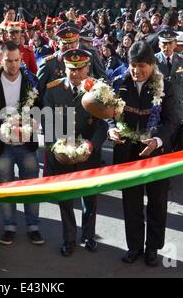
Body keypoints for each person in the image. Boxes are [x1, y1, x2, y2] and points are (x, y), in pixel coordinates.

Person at [108, 41, 179, 267]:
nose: (137, 71)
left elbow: (172, 120)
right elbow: (108, 112)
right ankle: (135, 246)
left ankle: (152, 249)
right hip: (127, 153)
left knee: (157, 202)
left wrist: (157, 140)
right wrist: (111, 127)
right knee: (131, 202)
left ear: (152, 64)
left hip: (156, 153)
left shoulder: (165, 85)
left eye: (142, 66)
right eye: (133, 66)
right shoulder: (119, 83)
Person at [43, 49, 108, 257]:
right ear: (65, 68)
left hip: (89, 153)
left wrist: (93, 145)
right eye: (72, 69)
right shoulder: (53, 90)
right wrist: (56, 147)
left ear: (88, 68)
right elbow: (48, 122)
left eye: (80, 69)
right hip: (64, 154)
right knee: (66, 199)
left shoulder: (97, 89)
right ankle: (69, 238)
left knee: (89, 198)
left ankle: (89, 235)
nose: (76, 74)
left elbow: (103, 125)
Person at [0, 41, 44, 246]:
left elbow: (39, 108)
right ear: (1, 59)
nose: (13, 65)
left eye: (17, 60)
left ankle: (33, 226)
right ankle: (9, 226)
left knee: (31, 185)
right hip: (2, 145)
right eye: (9, 60)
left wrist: (33, 123)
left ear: (21, 59)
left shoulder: (30, 80)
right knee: (6, 186)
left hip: (26, 143)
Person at [155, 29, 183, 151]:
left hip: (177, 106)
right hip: (160, 106)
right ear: (159, 44)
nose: (167, 46)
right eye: (164, 43)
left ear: (175, 44)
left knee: (177, 138)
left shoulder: (182, 60)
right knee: (162, 139)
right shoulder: (153, 61)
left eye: (170, 43)